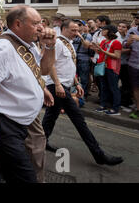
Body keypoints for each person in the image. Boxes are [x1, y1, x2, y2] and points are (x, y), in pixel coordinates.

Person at [0, 5, 56, 183]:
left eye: (41, 22)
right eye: (35, 23)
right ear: (18, 24)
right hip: (4, 125)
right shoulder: (3, 48)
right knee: (25, 177)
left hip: (19, 123)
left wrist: (50, 47)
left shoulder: (28, 46)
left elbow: (44, 70)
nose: (41, 27)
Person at [42, 20, 123, 166]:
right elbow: (50, 64)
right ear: (63, 29)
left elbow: (68, 65)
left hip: (64, 86)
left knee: (50, 117)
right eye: (73, 30)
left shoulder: (69, 43)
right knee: (79, 120)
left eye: (77, 30)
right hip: (56, 86)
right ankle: (99, 155)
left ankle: (42, 141)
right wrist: (58, 84)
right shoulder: (59, 43)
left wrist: (77, 83)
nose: (76, 33)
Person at [92, 25, 122, 115]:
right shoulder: (104, 41)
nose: (102, 31)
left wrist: (102, 50)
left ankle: (115, 108)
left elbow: (117, 56)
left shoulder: (116, 42)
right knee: (104, 87)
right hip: (102, 66)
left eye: (104, 30)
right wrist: (96, 48)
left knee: (113, 88)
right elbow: (100, 52)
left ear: (110, 31)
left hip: (112, 67)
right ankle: (103, 105)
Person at [73, 19, 93, 102]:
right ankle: (75, 95)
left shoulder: (87, 35)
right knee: (74, 79)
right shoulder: (72, 35)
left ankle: (82, 97)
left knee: (84, 79)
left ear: (84, 26)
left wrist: (80, 36)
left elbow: (86, 46)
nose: (77, 26)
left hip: (83, 59)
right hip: (74, 59)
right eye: (76, 24)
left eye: (80, 25)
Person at [124, 11, 139, 119]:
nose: (136, 19)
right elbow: (124, 44)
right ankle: (138, 109)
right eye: (136, 17)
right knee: (135, 88)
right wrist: (128, 42)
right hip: (133, 64)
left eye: (138, 17)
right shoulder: (133, 30)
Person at [117, 20, 133, 111]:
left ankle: (126, 102)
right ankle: (120, 102)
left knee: (126, 84)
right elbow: (118, 50)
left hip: (126, 63)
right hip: (118, 63)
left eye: (123, 27)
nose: (120, 28)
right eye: (119, 26)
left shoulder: (128, 37)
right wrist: (129, 50)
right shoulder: (116, 36)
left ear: (127, 28)